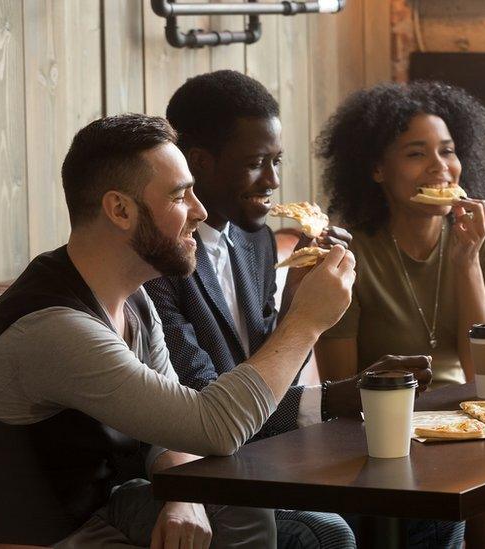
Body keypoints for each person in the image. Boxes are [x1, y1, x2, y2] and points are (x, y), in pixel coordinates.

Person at [0, 113, 359, 547]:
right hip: (29, 533)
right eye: (180, 196)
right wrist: (306, 322)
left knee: (306, 528)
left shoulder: (134, 298)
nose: (200, 211)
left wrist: (182, 497)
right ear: (120, 210)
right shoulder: (55, 329)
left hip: (94, 502)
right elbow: (215, 426)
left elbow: (169, 431)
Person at [145, 71, 431, 548]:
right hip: (209, 469)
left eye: (277, 161)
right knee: (326, 533)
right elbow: (209, 408)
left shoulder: (254, 241)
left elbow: (270, 376)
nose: (274, 181)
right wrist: (342, 393)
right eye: (257, 163)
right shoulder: (159, 265)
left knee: (431, 507)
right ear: (199, 162)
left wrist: (298, 299)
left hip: (269, 457)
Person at [313, 81, 485, 548]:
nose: (440, 168)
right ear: (377, 169)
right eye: (416, 154)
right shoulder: (349, 251)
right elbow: (341, 392)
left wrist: (467, 261)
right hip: (381, 431)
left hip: (471, 419)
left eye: (447, 151)